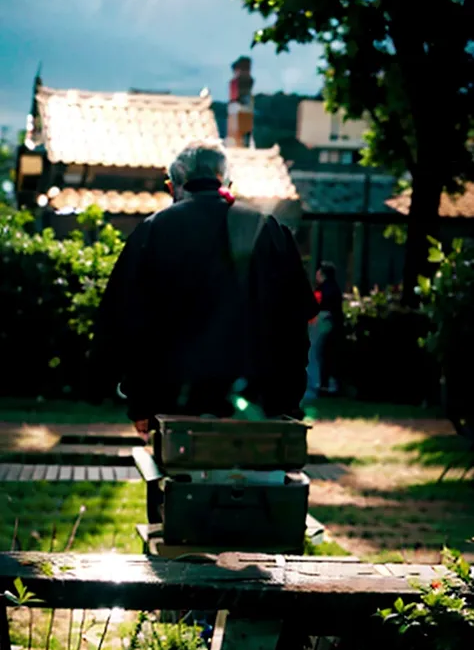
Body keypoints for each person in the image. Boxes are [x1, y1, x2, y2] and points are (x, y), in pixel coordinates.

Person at [88, 140, 317, 439]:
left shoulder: (152, 231)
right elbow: (299, 319)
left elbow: (121, 323)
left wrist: (139, 403)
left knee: (178, 482)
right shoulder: (268, 230)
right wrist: (287, 400)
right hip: (257, 403)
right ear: (228, 184)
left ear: (173, 187)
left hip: (171, 403)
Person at [303, 261, 343, 403]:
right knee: (325, 355)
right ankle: (328, 385)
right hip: (332, 322)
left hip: (321, 320)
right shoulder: (336, 289)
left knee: (312, 352)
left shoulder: (322, 290)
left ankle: (312, 386)